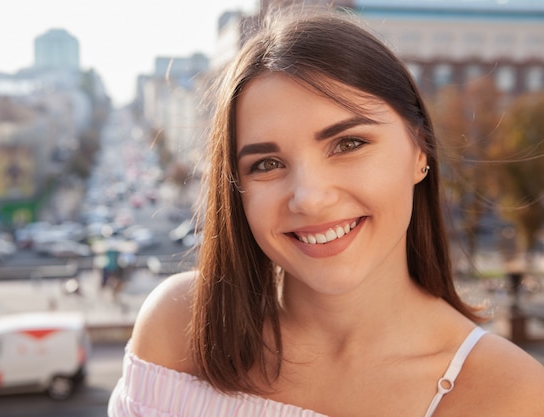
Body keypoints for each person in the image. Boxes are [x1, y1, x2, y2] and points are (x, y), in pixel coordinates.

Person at [109, 6, 544, 417]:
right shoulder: (181, 327)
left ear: (418, 150)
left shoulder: (511, 394)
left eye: (348, 144)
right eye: (267, 164)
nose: (310, 198)